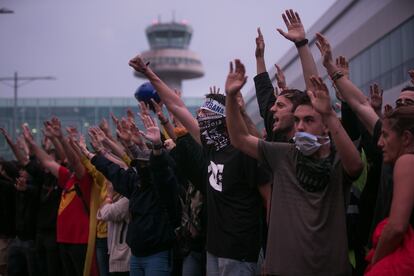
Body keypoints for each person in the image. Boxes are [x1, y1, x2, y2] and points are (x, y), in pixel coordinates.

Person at [129, 55, 267, 276]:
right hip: (213, 249)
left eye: (206, 113)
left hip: (240, 252)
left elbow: (269, 202)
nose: (200, 116)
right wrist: (148, 73)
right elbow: (176, 105)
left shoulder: (246, 151)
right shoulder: (212, 147)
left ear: (224, 118)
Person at [225, 58, 362, 275]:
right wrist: (231, 98)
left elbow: (356, 167)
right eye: (297, 120)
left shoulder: (338, 161)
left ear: (326, 126)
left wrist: (328, 113)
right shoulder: (282, 154)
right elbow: (239, 138)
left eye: (309, 120)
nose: (300, 127)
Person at [364, 106, 414, 275]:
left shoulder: (406, 161)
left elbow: (397, 227)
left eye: (385, 135)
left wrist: (376, 261)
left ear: (406, 138)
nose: (379, 143)